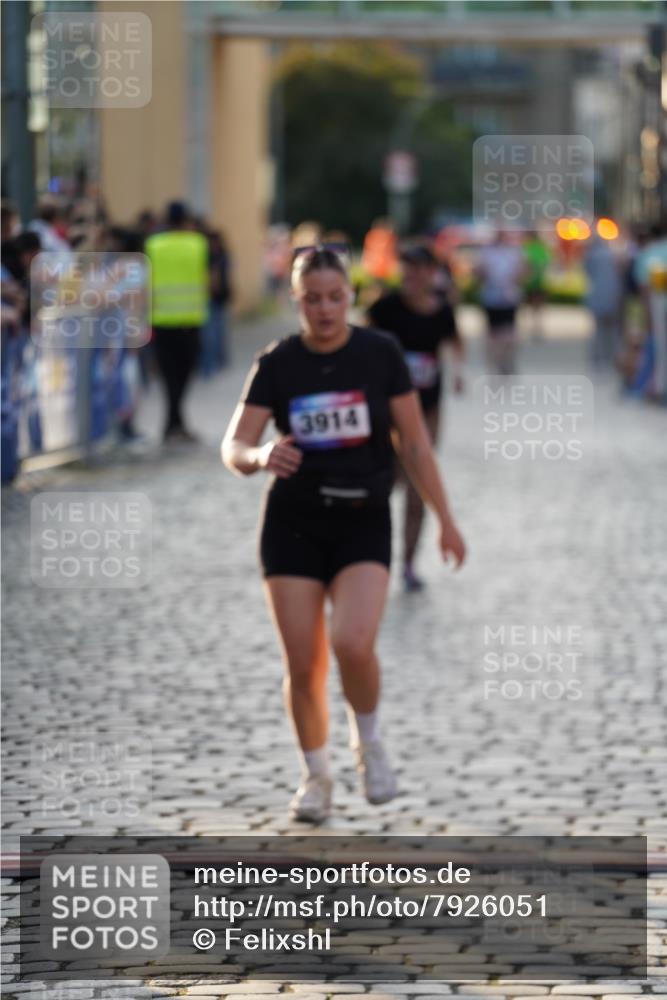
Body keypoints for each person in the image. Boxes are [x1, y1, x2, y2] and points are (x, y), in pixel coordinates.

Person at [221, 246, 466, 824]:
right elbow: (233, 445)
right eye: (312, 299)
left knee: (353, 643)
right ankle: (316, 776)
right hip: (293, 525)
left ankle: (370, 742)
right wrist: (259, 455)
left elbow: (415, 444)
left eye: (335, 298)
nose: (325, 310)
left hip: (362, 519)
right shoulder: (277, 362)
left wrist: (447, 522)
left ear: (350, 296)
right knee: (303, 664)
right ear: (296, 299)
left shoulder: (379, 354)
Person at [367, 244, 464, 592]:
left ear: (432, 273)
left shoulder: (442, 310)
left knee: (419, 481)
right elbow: (360, 340)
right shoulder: (385, 306)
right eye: (407, 271)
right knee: (382, 481)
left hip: (427, 409)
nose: (413, 278)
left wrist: (458, 372)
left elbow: (455, 340)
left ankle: (408, 561)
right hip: (386, 410)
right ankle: (370, 558)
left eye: (421, 271)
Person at [145, 201, 208, 442]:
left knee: (168, 376)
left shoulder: (153, 244)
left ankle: (173, 423)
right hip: (190, 321)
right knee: (183, 376)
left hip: (160, 320)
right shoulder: (197, 244)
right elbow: (209, 277)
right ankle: (175, 424)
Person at [476, 230, 525, 375]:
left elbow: (523, 270)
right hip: (491, 298)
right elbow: (479, 271)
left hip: (509, 298)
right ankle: (494, 362)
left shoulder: (514, 252)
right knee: (493, 334)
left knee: (510, 334)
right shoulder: (487, 252)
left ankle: (505, 359)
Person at [583, 231, 623, 369]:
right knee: (612, 329)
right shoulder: (612, 254)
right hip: (613, 295)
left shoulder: (591, 255)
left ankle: (598, 358)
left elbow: (588, 272)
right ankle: (612, 357)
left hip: (597, 296)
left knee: (599, 329)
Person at [200, 230, 232, 376]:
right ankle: (217, 361)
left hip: (215, 298)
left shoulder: (215, 257)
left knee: (213, 332)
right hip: (216, 298)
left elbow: (216, 280)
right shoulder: (221, 256)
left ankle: (214, 362)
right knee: (216, 331)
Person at [522, 231, 551, 339]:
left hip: (530, 282)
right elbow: (547, 263)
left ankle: (532, 326)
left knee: (529, 304)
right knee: (538, 305)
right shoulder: (541, 248)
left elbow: (524, 263)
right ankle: (537, 326)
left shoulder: (527, 248)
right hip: (539, 281)